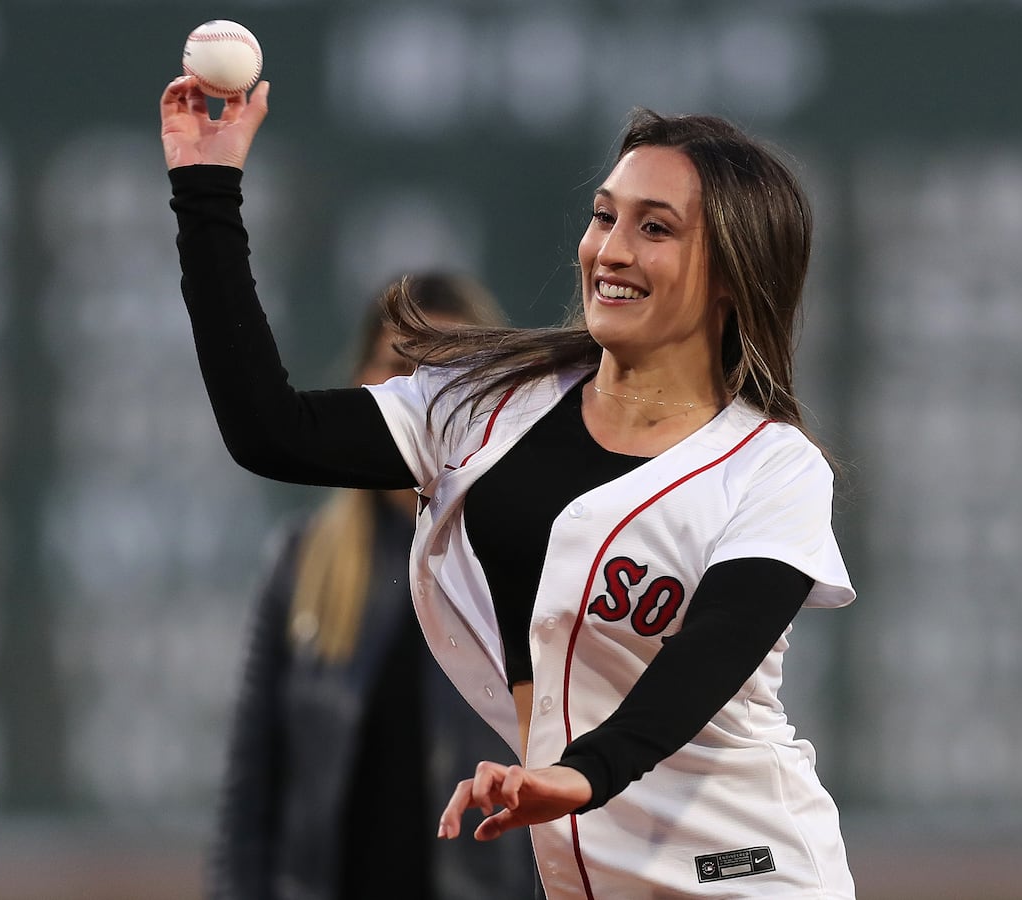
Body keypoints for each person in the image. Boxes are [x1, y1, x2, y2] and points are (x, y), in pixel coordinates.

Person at [162, 73, 858, 899]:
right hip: (581, 873)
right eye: (605, 215)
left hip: (747, 868)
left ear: (734, 274)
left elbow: (705, 662)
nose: (613, 249)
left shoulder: (772, 467)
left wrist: (582, 773)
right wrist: (208, 191)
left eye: (656, 227)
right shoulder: (490, 405)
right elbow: (267, 428)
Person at [207, 273, 541, 899]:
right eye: (402, 370)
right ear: (360, 384)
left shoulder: (539, 564)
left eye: (458, 375)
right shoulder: (302, 563)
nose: (428, 400)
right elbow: (250, 794)